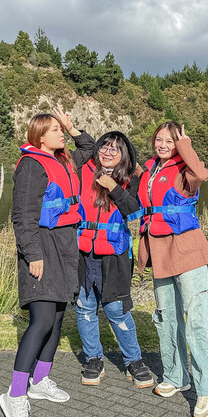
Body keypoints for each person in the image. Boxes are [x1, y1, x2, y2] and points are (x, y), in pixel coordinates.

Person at [0, 107, 93, 417]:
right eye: (54, 129)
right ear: (38, 135)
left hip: (65, 247)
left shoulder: (64, 161)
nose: (59, 134)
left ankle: (40, 381)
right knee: (40, 321)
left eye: (59, 130)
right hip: (42, 247)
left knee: (56, 319)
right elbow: (22, 216)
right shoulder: (31, 166)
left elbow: (89, 149)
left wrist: (72, 128)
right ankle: (14, 395)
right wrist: (32, 254)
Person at [137, 121, 208, 417]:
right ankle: (176, 376)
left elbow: (201, 173)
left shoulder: (185, 171)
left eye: (170, 141)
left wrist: (185, 146)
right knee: (166, 318)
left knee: (196, 321)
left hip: (187, 252)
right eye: (159, 139)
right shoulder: (148, 171)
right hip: (159, 252)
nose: (162, 145)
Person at [75, 131, 154, 388]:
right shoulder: (83, 171)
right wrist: (73, 130)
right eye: (104, 147)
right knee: (86, 308)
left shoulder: (132, 179)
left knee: (116, 310)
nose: (108, 153)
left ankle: (133, 361)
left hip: (115, 255)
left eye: (115, 149)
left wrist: (114, 189)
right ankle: (93, 359)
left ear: (124, 155)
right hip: (84, 252)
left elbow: (135, 214)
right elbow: (83, 146)